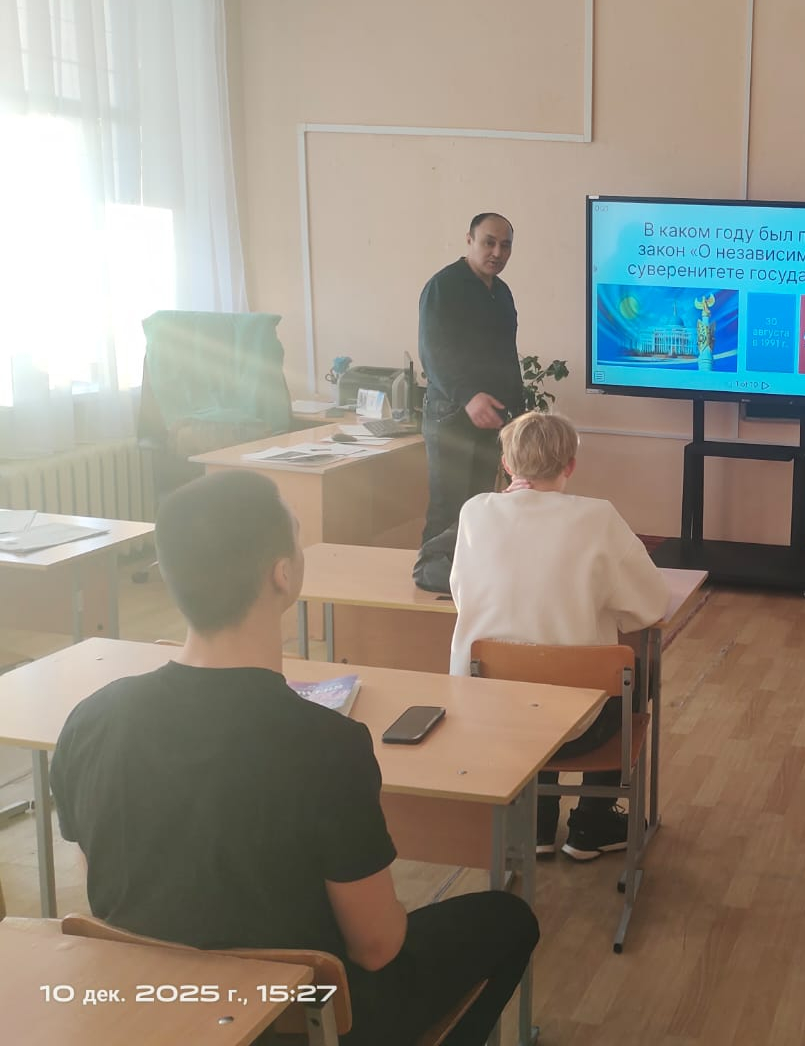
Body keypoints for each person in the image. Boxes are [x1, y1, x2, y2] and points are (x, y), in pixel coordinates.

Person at [50, 471, 539, 1046]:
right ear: (281, 574)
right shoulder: (325, 744)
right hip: (295, 1021)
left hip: (156, 1009)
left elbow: (104, 889)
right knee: (509, 920)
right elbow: (377, 948)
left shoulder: (90, 719)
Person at [449, 411, 670, 860]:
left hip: (488, 713)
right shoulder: (597, 517)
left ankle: (536, 824)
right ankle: (592, 823)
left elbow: (462, 595)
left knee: (527, 677)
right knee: (633, 672)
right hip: (579, 727)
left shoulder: (474, 512)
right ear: (570, 465)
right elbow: (650, 604)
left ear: (507, 465)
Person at [418, 211, 525, 543]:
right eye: (489, 243)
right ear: (469, 240)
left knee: (479, 508)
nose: (497, 252)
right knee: (448, 510)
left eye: (505, 246)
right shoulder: (444, 287)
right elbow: (433, 353)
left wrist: (520, 414)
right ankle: (432, 573)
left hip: (492, 418)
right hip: (452, 416)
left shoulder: (502, 292)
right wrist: (468, 396)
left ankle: (469, 575)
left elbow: (507, 355)